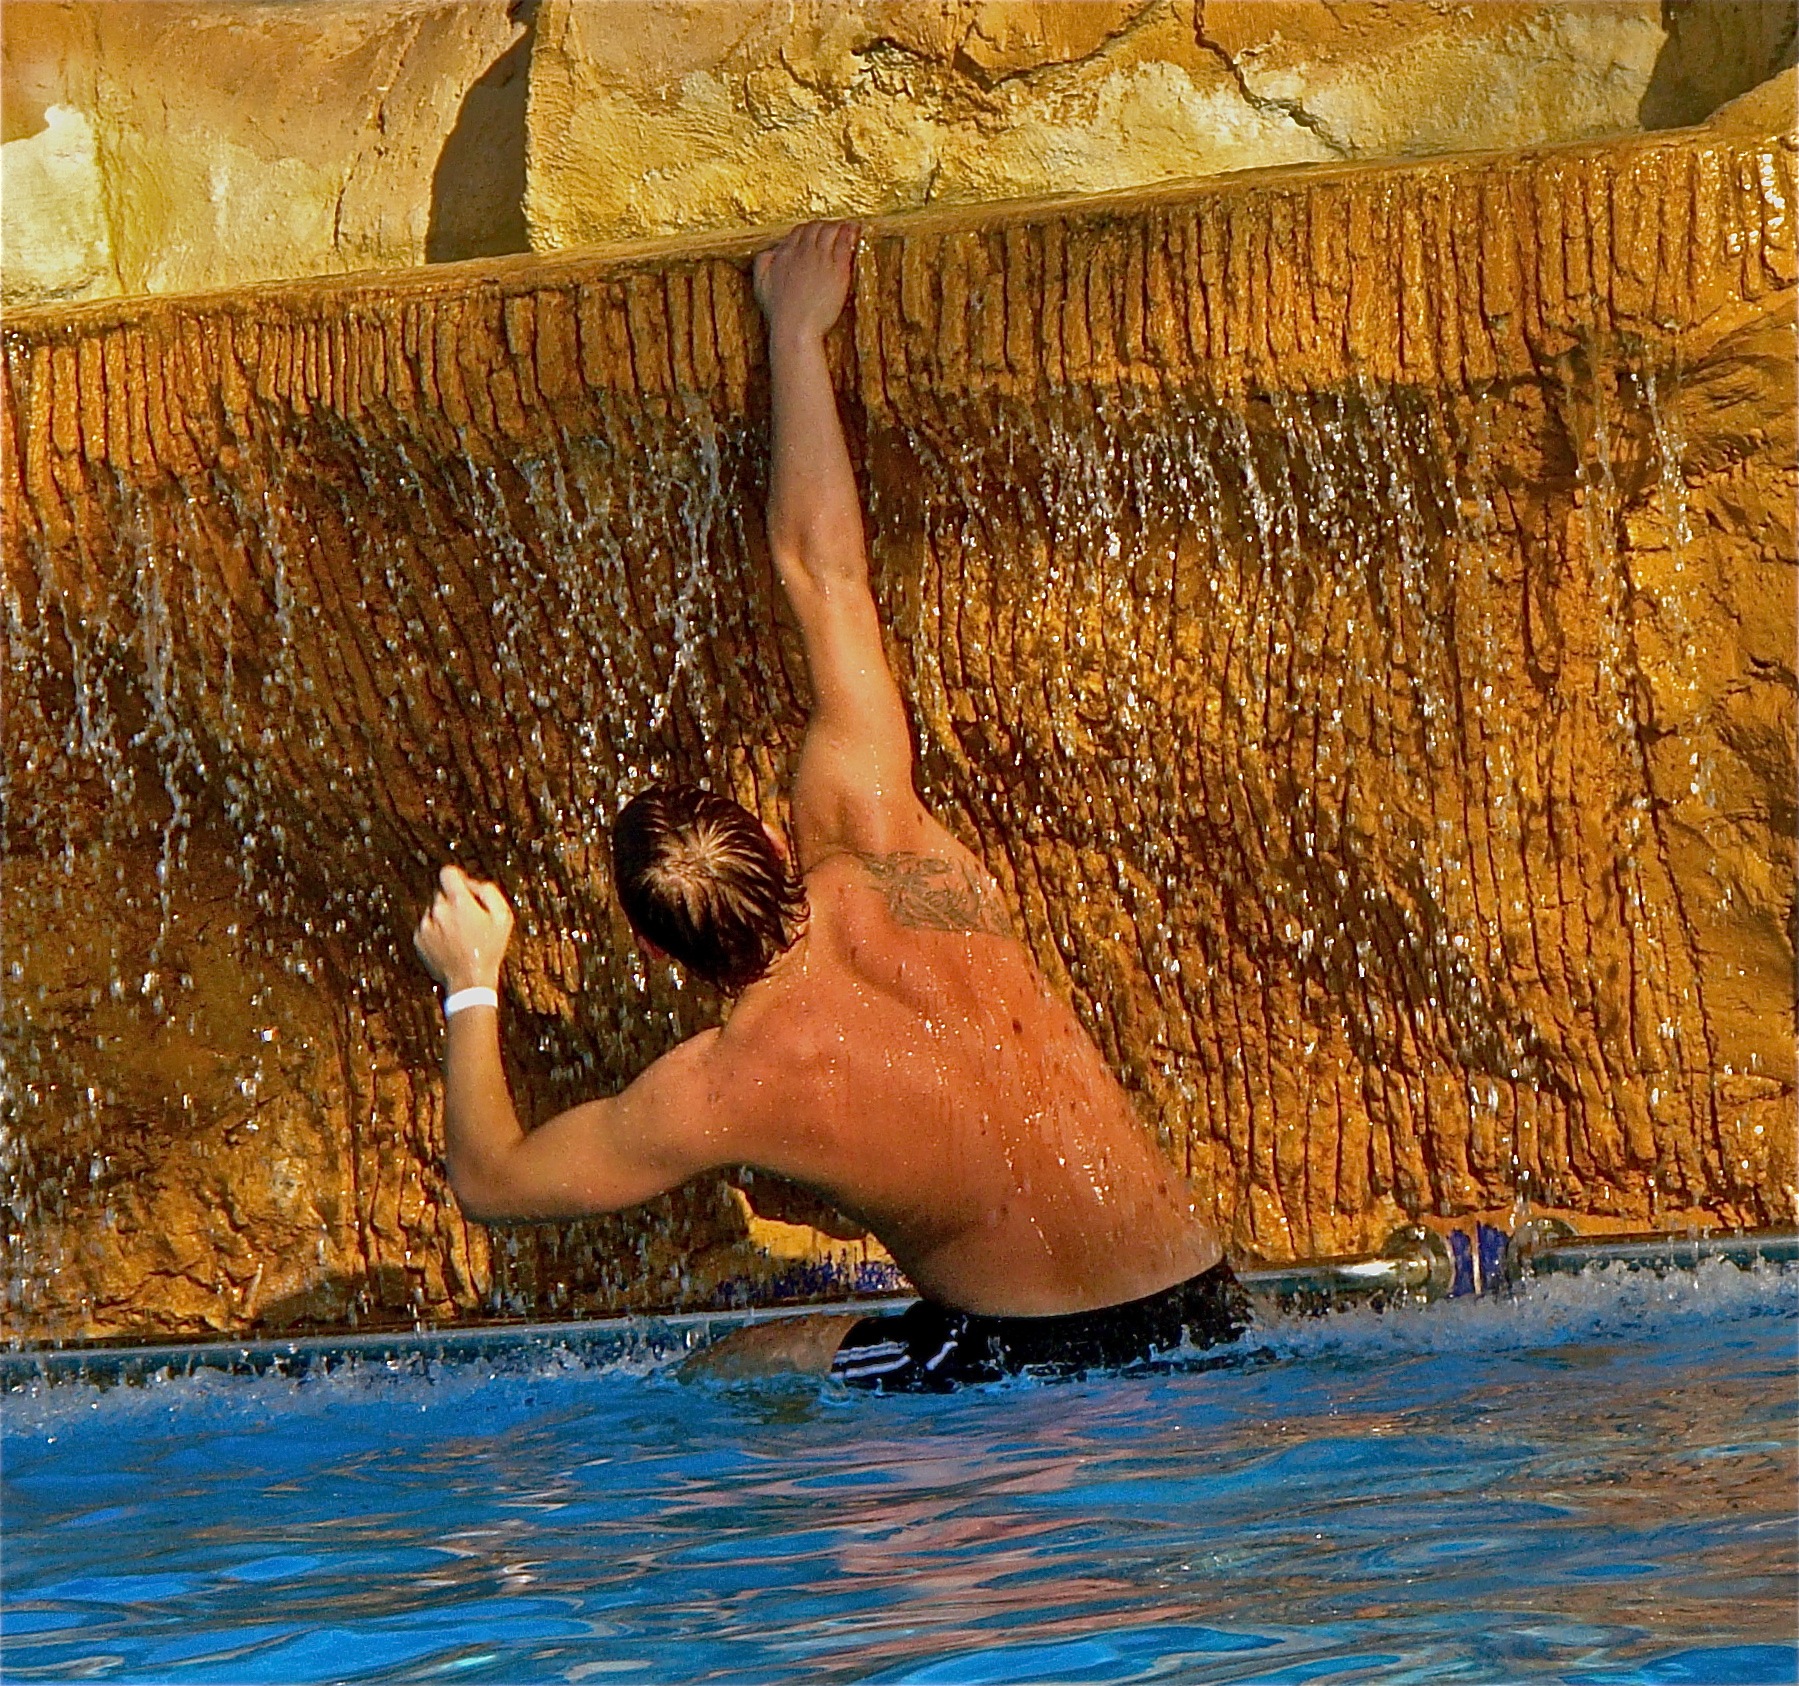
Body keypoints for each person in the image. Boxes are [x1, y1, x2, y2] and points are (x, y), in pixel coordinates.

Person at [413, 221, 1248, 1390]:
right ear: (768, 835)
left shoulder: (722, 1085)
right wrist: (797, 333)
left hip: (1024, 1368)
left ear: (658, 953)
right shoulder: (880, 836)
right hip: (1203, 1308)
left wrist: (470, 977)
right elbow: (824, 572)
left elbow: (492, 1180)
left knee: (731, 1370)